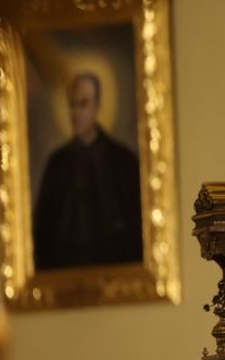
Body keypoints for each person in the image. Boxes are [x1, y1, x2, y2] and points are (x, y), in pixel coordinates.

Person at [34, 70, 143, 269]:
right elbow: (43, 233)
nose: (75, 113)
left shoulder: (123, 162)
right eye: (72, 105)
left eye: (82, 104)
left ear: (97, 107)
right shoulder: (57, 164)